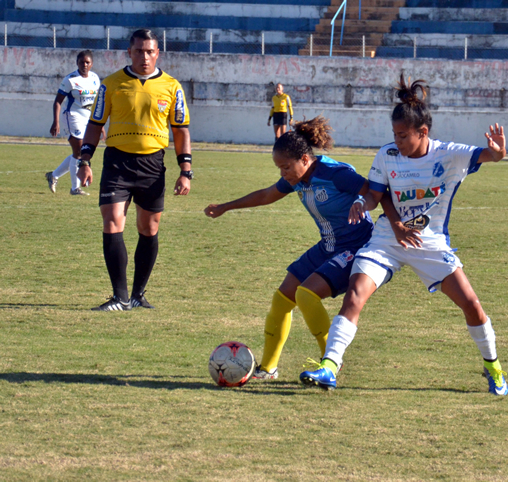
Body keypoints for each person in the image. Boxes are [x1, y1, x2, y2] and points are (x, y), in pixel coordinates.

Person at [300, 75, 508, 396]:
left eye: (403, 136)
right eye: (395, 135)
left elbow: (490, 155)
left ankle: (493, 367)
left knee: (472, 305)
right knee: (354, 295)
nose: (397, 141)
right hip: (387, 240)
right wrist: (361, 202)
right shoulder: (387, 155)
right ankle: (330, 366)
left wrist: (498, 151)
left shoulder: (449, 154)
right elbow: (374, 195)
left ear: (422, 132)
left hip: (430, 243)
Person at [204, 116, 374, 380]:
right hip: (328, 245)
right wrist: (226, 207)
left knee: (306, 294)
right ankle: (268, 369)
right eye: (279, 168)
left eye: (285, 167)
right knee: (282, 299)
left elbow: (374, 191)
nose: (282, 174)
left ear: (305, 160)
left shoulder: (336, 174)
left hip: (356, 245)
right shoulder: (298, 179)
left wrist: (382, 216)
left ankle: (331, 362)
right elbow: (266, 195)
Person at [77, 29, 193, 311]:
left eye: (150, 51)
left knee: (149, 227)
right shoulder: (111, 84)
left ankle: (138, 295)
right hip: (118, 162)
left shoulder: (172, 86)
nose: (145, 56)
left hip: (153, 164)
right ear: (129, 53)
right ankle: (119, 297)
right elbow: (95, 125)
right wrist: (85, 160)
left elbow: (180, 130)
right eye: (139, 51)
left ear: (157, 54)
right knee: (113, 221)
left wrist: (185, 169)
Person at [46, 50, 103, 196]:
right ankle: (75, 188)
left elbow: (97, 103)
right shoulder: (70, 80)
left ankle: (54, 175)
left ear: (92, 64)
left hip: (88, 118)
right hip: (72, 116)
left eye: (87, 62)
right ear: (76, 63)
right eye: (81, 62)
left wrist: (99, 124)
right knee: (79, 152)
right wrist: (55, 122)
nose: (84, 65)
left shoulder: (95, 78)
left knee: (78, 153)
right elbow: (58, 101)